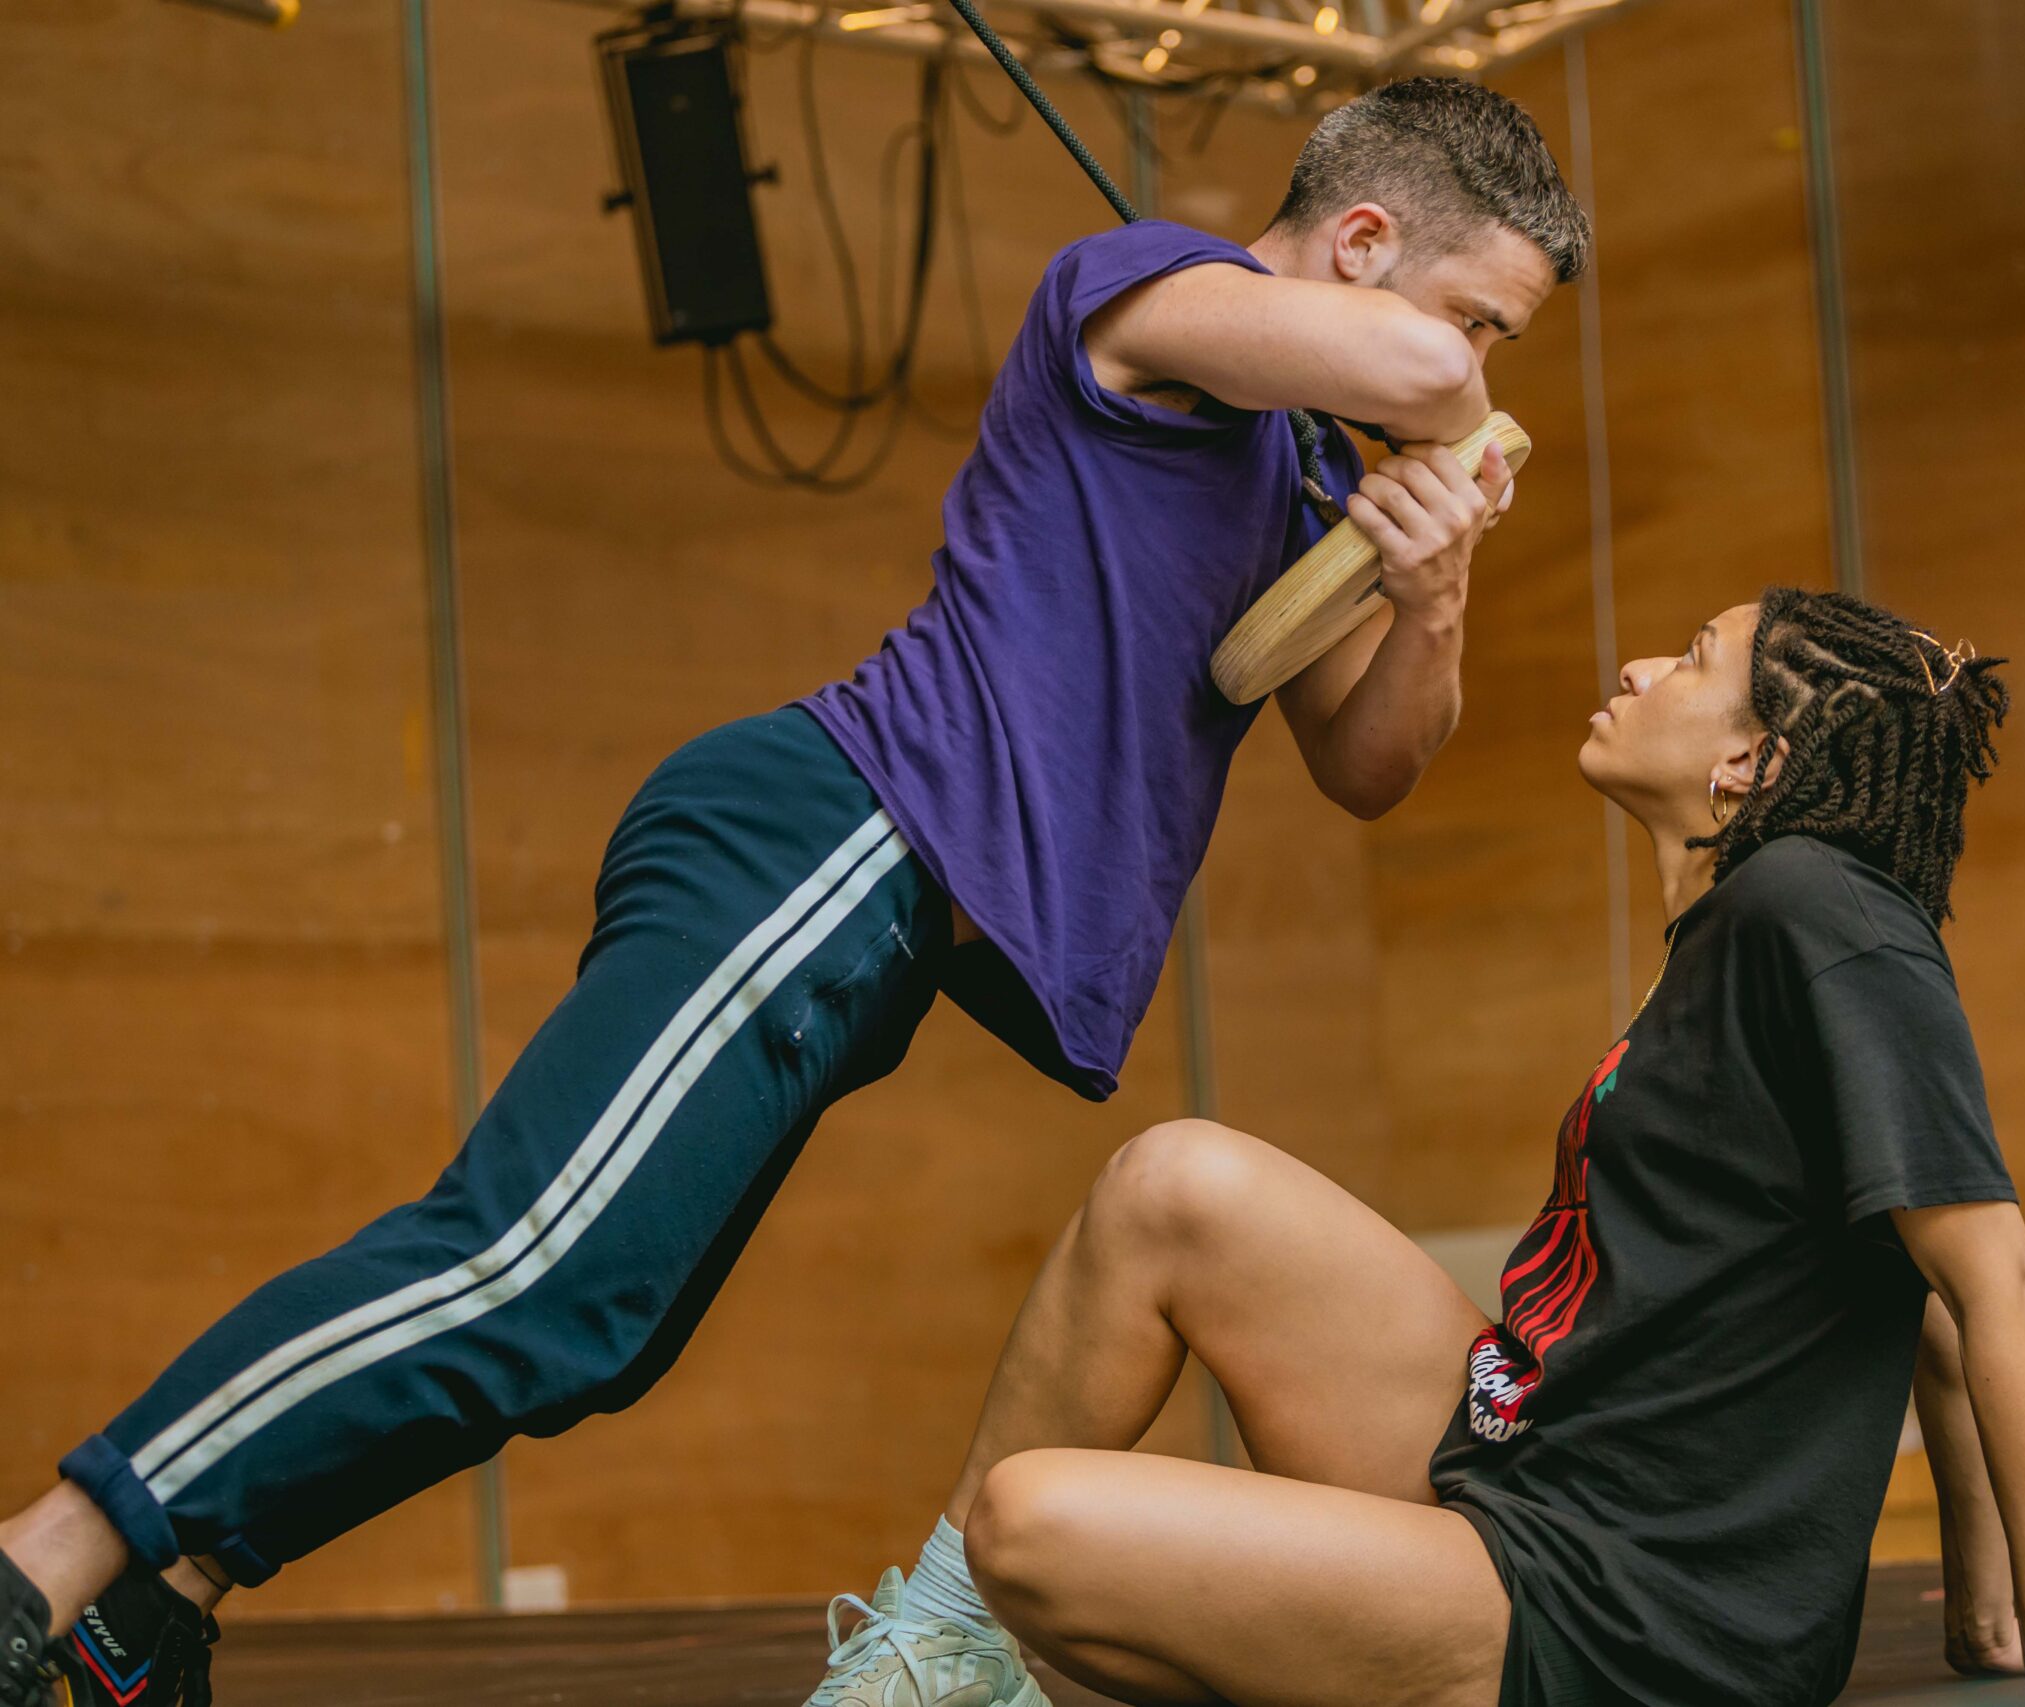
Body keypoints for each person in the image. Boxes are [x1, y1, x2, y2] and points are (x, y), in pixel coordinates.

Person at [0, 77, 1590, 1707]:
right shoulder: (1149, 283)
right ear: (1363, 242)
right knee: (521, 1264)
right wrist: (1460, 408)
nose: (1482, 377)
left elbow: (1369, 761)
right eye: (1484, 322)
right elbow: (1418, 372)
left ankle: (163, 1589)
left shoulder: (1304, 476)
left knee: (596, 1332)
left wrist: (1435, 590)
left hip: (879, 923)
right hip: (831, 836)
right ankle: (45, 1560)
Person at [799, 590, 2025, 1707]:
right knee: (1173, 1184)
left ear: (1750, 768)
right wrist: (1980, 1620)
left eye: (1692, 662)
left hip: (1626, 1608)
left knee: (1037, 1521)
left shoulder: (1823, 916)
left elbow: (1986, 1279)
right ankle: (931, 1657)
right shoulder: (1729, 937)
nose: (1638, 668)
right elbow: (1921, 1307)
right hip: (1534, 1464)